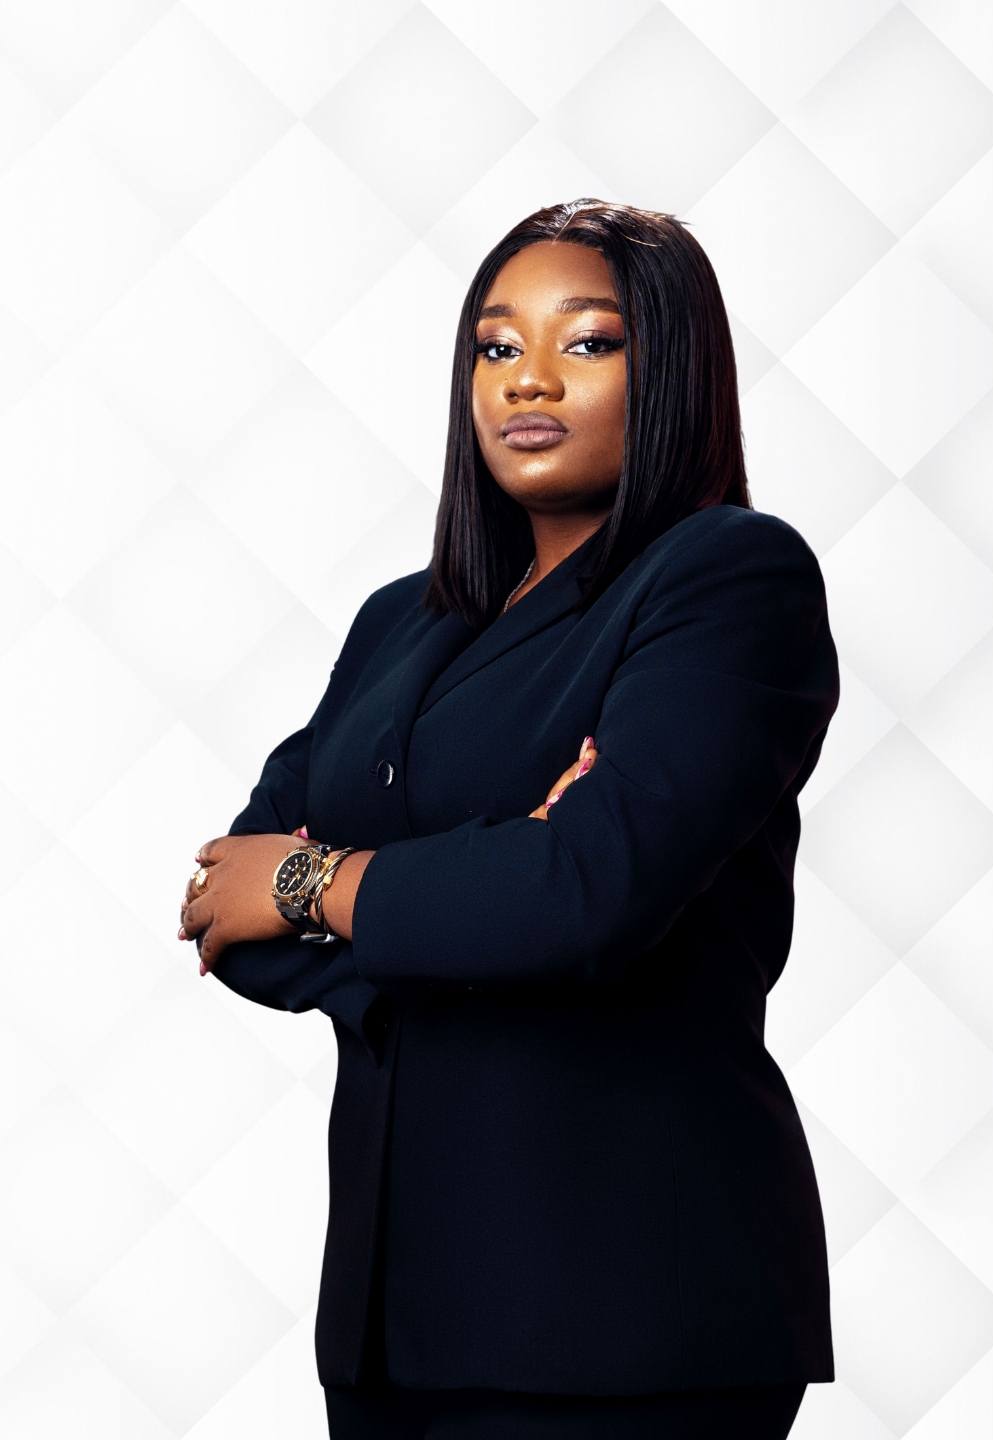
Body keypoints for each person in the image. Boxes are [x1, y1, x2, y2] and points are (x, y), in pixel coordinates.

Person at [179, 199, 839, 1439]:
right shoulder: (403, 619)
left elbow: (589, 891)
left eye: (588, 341)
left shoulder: (727, 576)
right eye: (495, 345)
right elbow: (226, 900)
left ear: (671, 367)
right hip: (391, 1312)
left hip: (620, 1302)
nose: (528, 378)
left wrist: (318, 885)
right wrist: (488, 893)